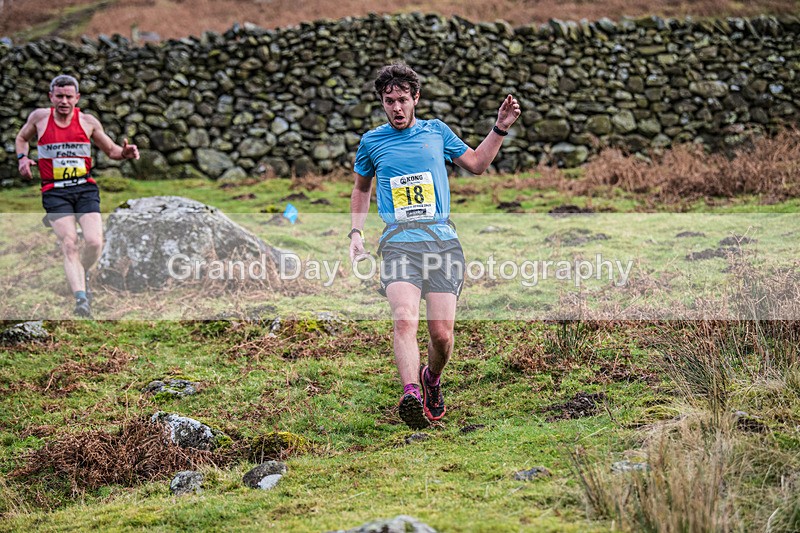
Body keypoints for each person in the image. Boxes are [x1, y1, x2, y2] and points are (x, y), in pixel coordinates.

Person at [349, 64, 521, 429]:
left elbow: (476, 163)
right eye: (388, 101)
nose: (396, 108)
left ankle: (431, 379)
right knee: (404, 318)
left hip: (443, 243)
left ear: (416, 99)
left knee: (441, 336)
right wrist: (356, 233)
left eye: (402, 100)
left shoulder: (436, 131)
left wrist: (500, 127)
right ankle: (410, 393)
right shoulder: (372, 142)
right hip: (398, 244)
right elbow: (362, 188)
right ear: (382, 102)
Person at [15, 74, 140, 318]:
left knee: (94, 242)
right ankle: (81, 299)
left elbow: (112, 150)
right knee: (70, 243)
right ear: (51, 97)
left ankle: (80, 274)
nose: (63, 101)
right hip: (54, 191)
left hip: (84, 188)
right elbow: (21, 138)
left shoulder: (88, 122)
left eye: (68, 97)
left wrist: (125, 153)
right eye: (59, 96)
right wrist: (22, 158)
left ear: (77, 98)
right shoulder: (40, 118)